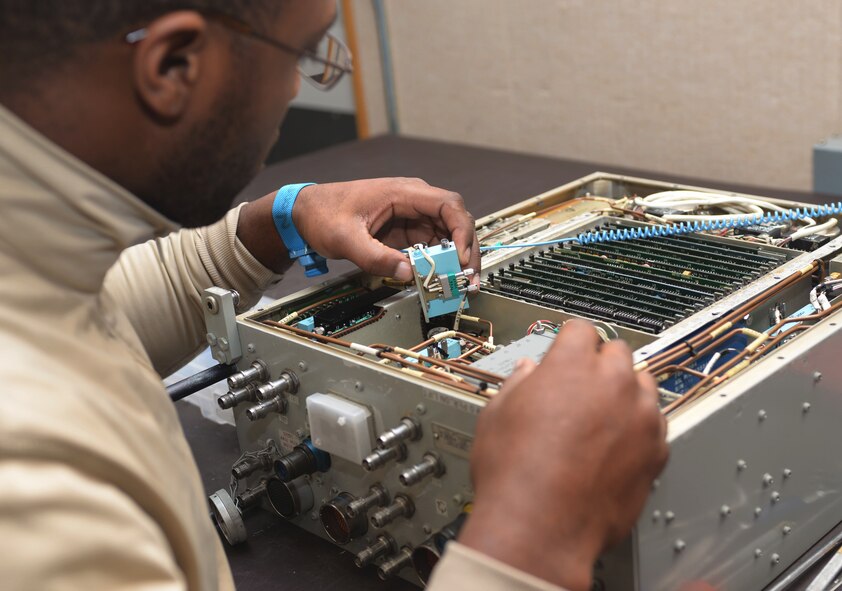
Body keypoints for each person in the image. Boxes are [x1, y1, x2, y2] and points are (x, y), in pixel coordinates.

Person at [0, 1, 669, 590]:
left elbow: (102, 302)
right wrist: (527, 545)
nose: (298, 86)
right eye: (304, 50)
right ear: (173, 66)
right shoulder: (32, 494)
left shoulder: (33, 252)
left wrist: (275, 223)